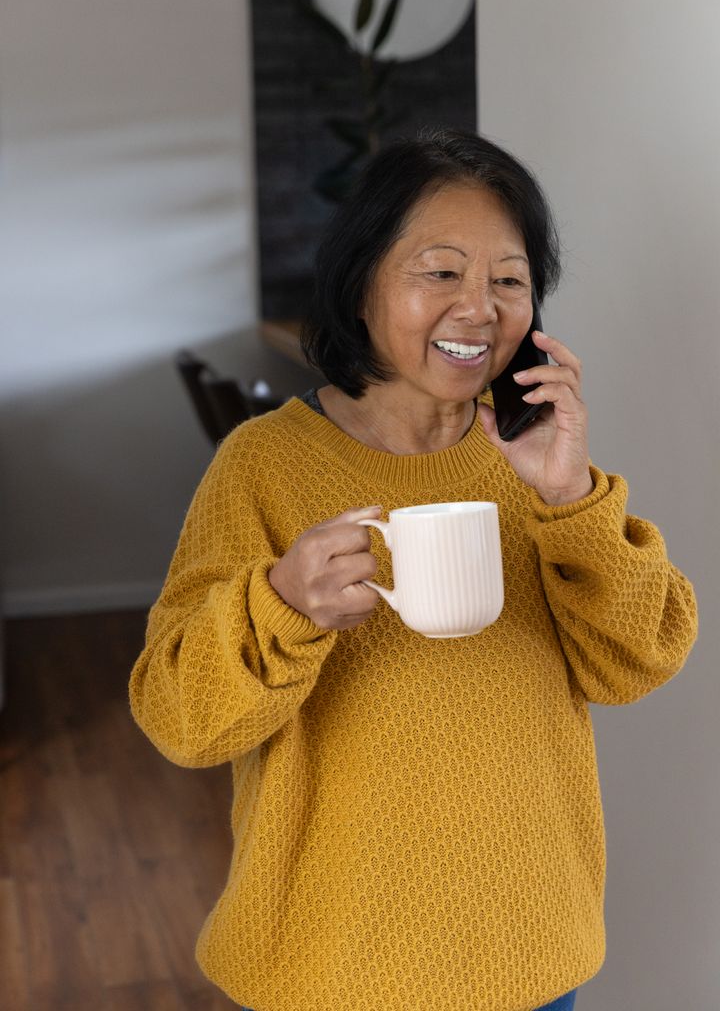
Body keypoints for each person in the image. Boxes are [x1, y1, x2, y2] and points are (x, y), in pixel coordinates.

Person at [129, 128, 698, 1011]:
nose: (479, 309)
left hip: (530, 957)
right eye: (440, 272)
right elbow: (179, 719)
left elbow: (639, 659)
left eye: (509, 280)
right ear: (361, 285)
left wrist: (574, 497)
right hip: (330, 968)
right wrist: (280, 603)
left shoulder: (537, 462)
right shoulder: (263, 466)